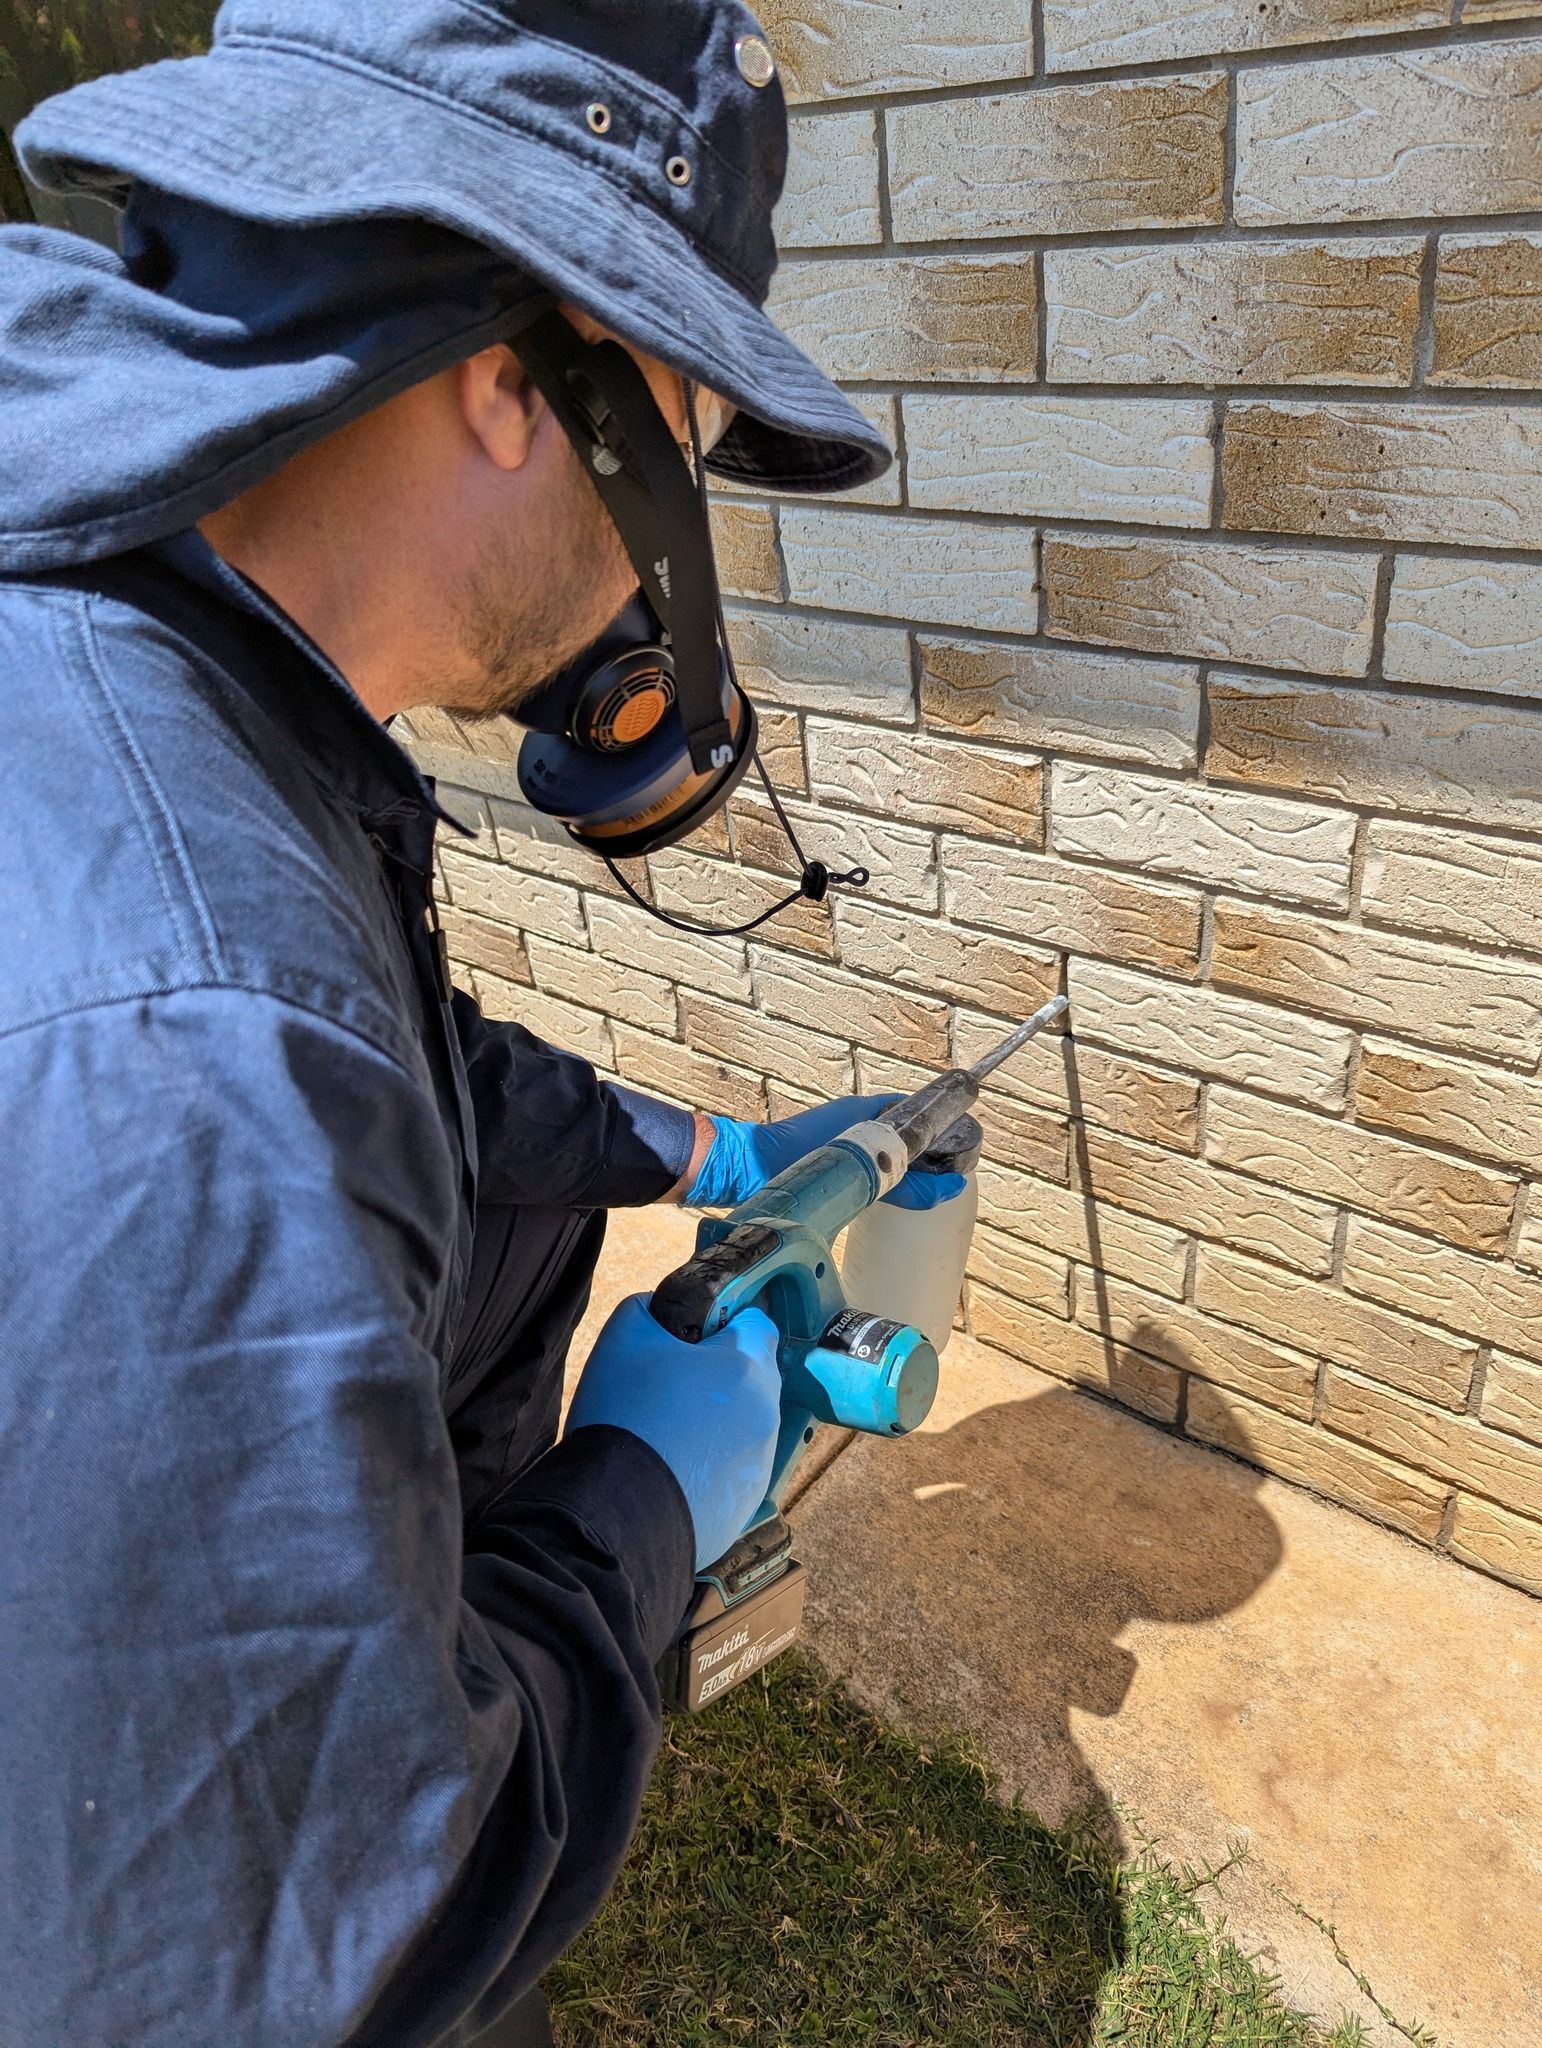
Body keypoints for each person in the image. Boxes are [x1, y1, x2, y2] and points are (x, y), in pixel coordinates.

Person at [0, 5, 965, 2045]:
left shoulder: (159, 643)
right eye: (690, 453)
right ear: (523, 393)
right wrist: (642, 1497)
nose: (680, 563)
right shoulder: (193, 1036)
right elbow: (328, 1950)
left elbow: (411, 1068)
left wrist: (713, 1155)